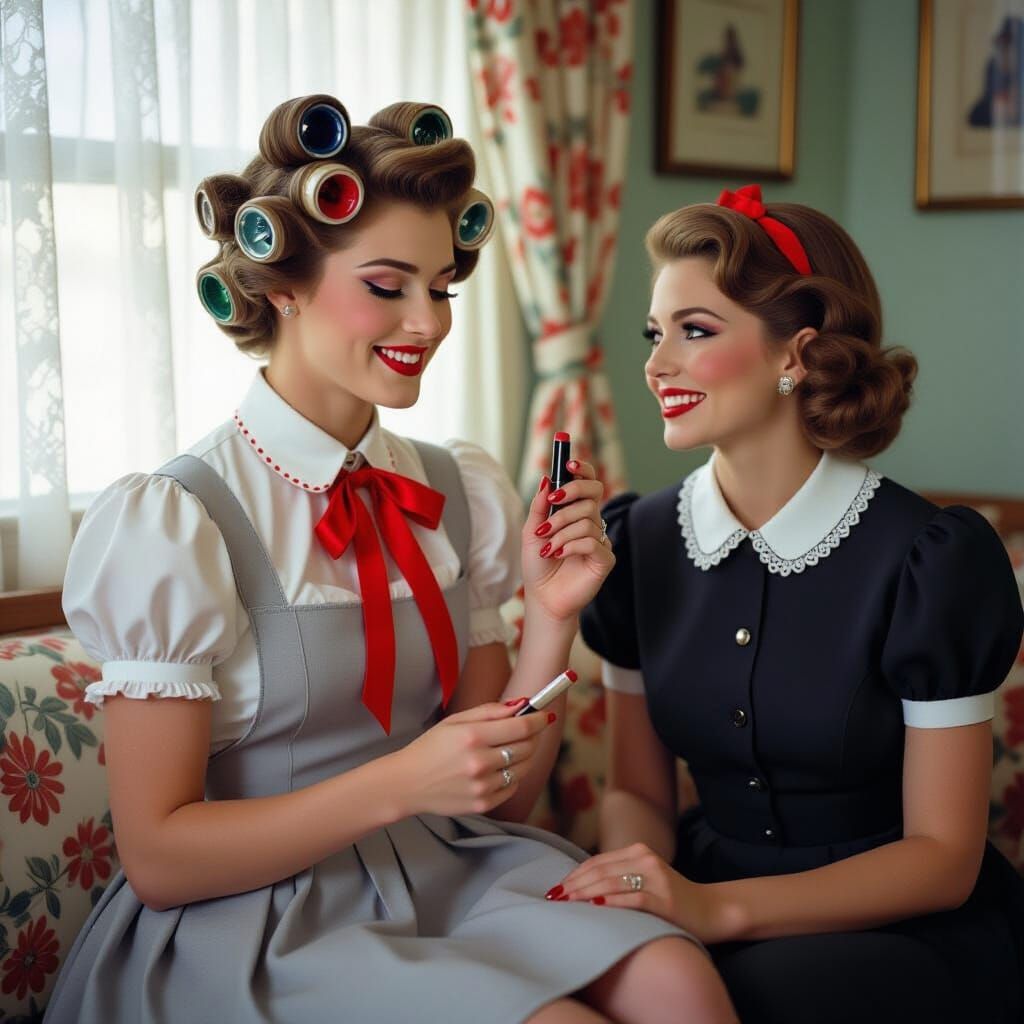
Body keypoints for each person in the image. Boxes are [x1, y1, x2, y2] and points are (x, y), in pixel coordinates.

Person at [44, 96, 737, 1024]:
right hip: (261, 916)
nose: (428, 322)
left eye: (441, 288)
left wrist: (551, 616)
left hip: (447, 868)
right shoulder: (177, 521)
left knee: (678, 979)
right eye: (387, 286)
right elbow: (161, 861)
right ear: (283, 289)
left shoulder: (456, 486)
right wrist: (403, 782)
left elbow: (503, 807)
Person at [556, 184, 1024, 1023]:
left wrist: (714, 911)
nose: (657, 366)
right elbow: (639, 794)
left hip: (899, 928)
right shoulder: (636, 545)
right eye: (655, 334)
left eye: (696, 331)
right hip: (700, 896)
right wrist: (634, 894)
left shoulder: (931, 560)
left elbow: (943, 858)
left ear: (796, 356)